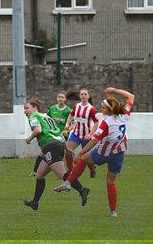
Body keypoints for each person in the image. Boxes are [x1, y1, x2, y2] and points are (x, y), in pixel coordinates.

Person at [54, 87, 134, 218]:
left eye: (103, 107)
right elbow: (131, 96)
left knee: (84, 158)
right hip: (119, 153)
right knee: (110, 182)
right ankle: (113, 211)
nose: (101, 109)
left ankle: (68, 183)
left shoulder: (106, 124)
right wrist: (114, 90)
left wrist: (80, 153)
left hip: (105, 152)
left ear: (109, 110)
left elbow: (93, 141)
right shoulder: (124, 115)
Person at [23, 99, 89, 211]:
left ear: (35, 108)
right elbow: (58, 133)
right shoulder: (47, 117)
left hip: (51, 147)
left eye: (27, 108)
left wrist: (28, 139)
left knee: (61, 174)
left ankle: (82, 190)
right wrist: (67, 148)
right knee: (39, 175)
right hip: (56, 145)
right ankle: (35, 202)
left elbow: (38, 130)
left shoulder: (33, 117)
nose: (25, 111)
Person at [30, 92, 72, 176]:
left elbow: (72, 123)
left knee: (61, 154)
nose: (60, 99)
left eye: (62, 97)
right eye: (59, 97)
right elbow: (47, 118)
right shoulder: (52, 108)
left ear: (65, 99)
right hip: (52, 135)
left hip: (62, 135)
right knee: (43, 154)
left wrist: (63, 124)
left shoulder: (68, 110)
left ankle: (67, 172)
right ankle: (36, 172)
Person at [64, 87, 99, 178]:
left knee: (86, 157)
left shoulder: (91, 109)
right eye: (82, 94)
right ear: (79, 96)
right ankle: (71, 171)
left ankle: (92, 170)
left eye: (85, 94)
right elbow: (71, 115)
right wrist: (68, 124)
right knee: (68, 152)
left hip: (86, 136)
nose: (83, 96)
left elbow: (96, 123)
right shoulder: (76, 106)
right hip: (76, 133)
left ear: (88, 96)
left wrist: (90, 134)